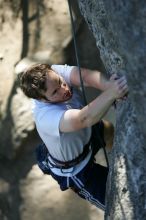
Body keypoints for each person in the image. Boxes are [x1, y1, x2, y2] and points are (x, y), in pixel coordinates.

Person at [18, 63, 128, 210]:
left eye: (59, 81)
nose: (64, 89)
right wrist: (112, 93)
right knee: (115, 203)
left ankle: (123, 161)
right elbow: (83, 119)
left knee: (107, 130)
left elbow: (85, 76)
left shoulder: (52, 74)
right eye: (55, 92)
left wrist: (109, 85)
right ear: (43, 100)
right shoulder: (45, 116)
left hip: (85, 133)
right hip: (77, 169)